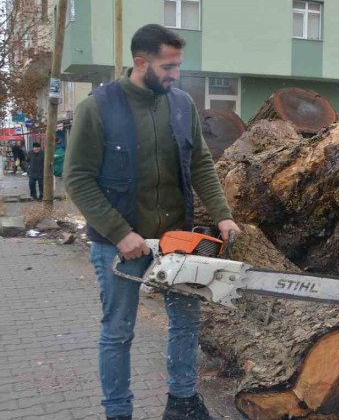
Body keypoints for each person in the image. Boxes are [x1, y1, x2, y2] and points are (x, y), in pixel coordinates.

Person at [64, 24, 240, 420]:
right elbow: (76, 178)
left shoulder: (181, 105)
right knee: (118, 331)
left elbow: (201, 165)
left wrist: (223, 216)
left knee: (185, 323)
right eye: (168, 65)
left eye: (178, 65)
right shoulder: (98, 107)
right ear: (141, 62)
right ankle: (119, 412)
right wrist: (120, 232)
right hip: (118, 244)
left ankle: (181, 402)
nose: (175, 73)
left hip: (176, 240)